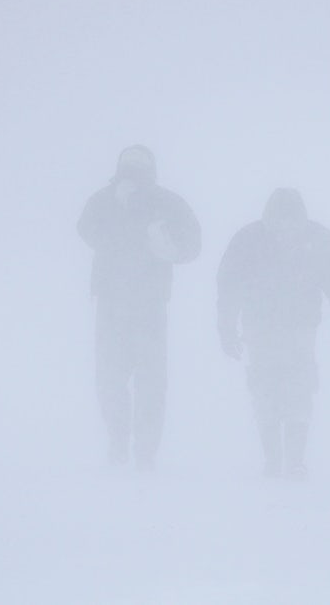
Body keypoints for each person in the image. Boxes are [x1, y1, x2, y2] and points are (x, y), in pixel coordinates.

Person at [217, 188, 330, 479]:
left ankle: (293, 461)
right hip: (261, 328)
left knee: (297, 388)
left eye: (290, 219)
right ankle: (274, 460)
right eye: (279, 219)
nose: (284, 226)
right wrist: (226, 327)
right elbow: (228, 287)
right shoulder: (250, 239)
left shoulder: (312, 238)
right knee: (268, 388)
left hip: (299, 327)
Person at [77, 145, 201, 470]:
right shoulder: (104, 200)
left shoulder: (166, 202)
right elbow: (86, 228)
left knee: (149, 381)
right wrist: (126, 226)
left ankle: (145, 451)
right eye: (128, 169)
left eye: (139, 170)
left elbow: (193, 243)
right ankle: (120, 443)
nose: (133, 176)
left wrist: (169, 246)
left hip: (149, 305)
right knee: (112, 379)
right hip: (113, 303)